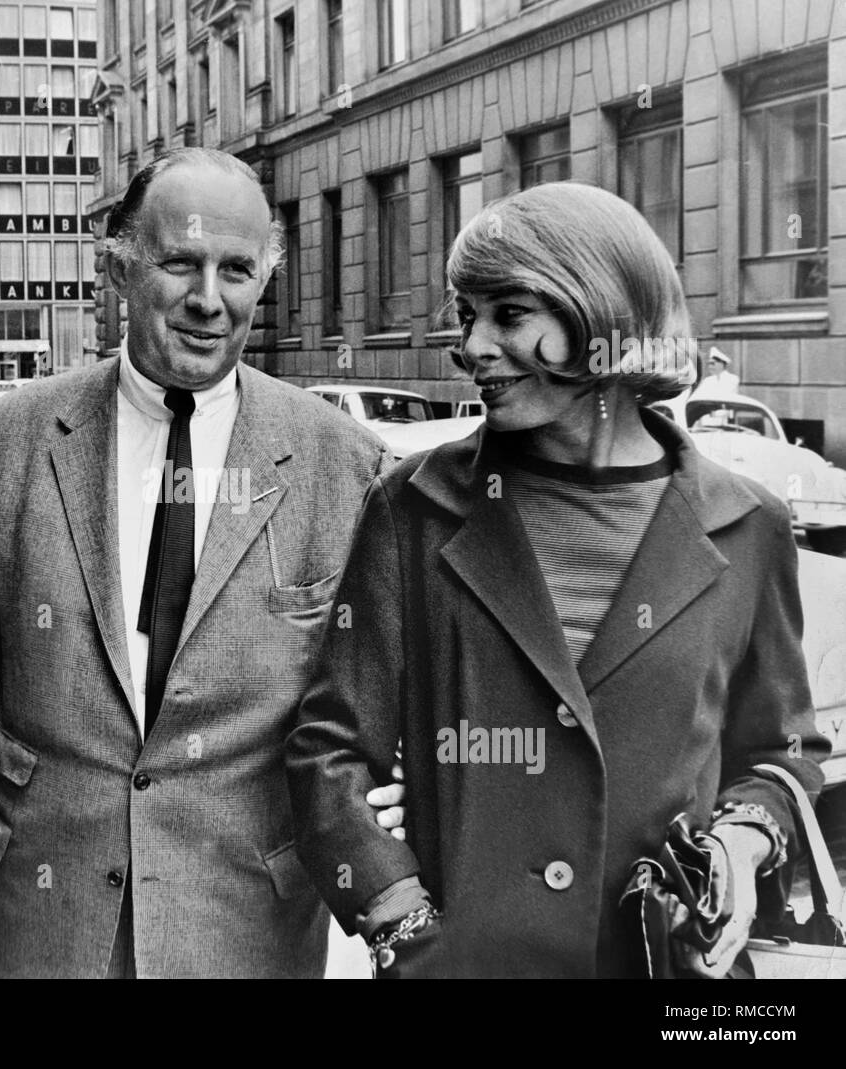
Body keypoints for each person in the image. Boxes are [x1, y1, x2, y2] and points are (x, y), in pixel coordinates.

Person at [286, 182, 828, 979]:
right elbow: (329, 753)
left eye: (509, 313)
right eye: (466, 314)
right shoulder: (415, 506)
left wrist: (743, 845)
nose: (471, 344)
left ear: (601, 312)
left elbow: (780, 752)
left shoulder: (749, 524)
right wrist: (404, 929)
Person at [0, 147, 390, 978]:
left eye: (237, 270)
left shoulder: (345, 463)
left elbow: (364, 714)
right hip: (47, 908)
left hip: (246, 918)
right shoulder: (4, 443)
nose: (208, 300)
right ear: (118, 268)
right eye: (179, 263)